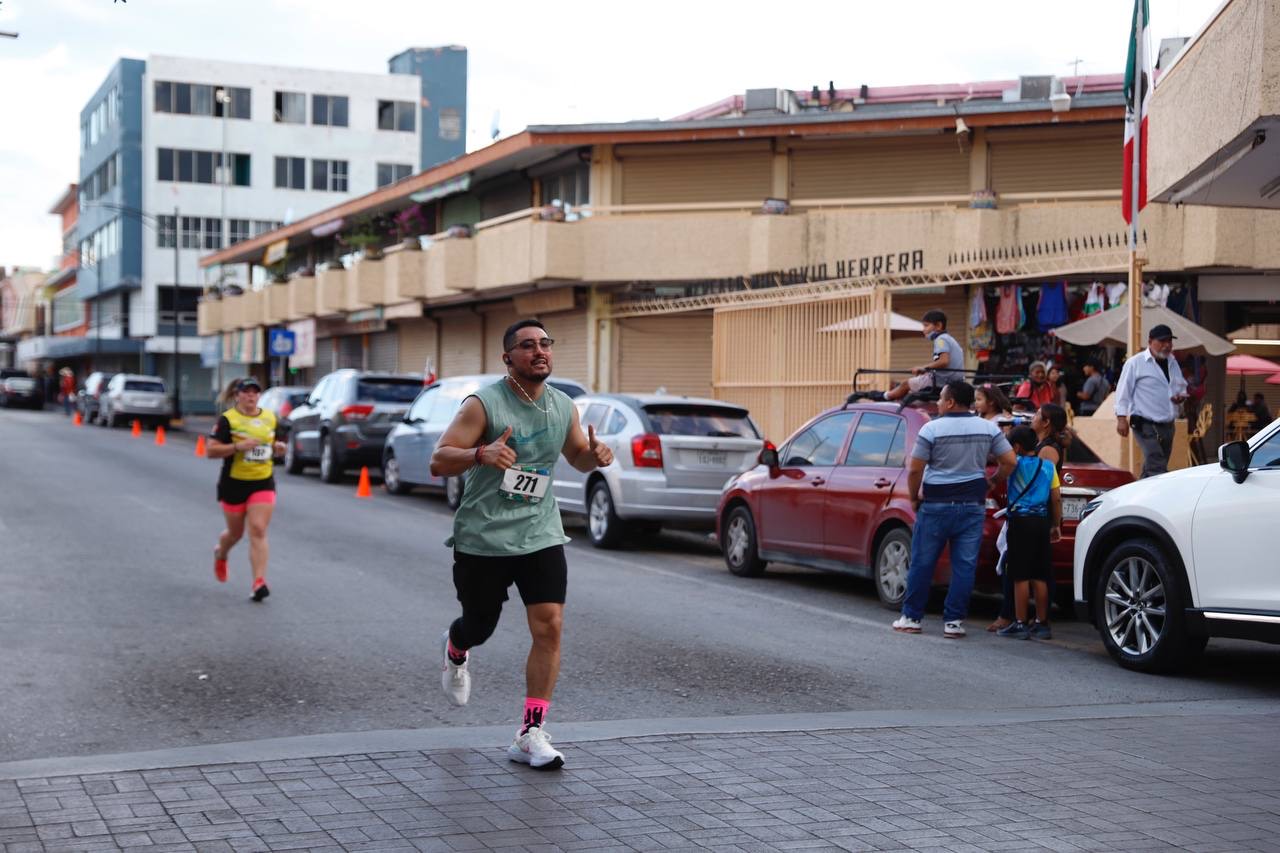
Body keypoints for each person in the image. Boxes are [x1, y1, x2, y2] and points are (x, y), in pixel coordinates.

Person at [429, 319, 613, 771]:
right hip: (484, 535)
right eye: (527, 345)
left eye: (545, 343)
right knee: (480, 624)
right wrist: (479, 454)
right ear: (507, 357)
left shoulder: (562, 406)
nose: (539, 351)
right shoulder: (482, 404)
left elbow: (576, 456)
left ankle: (530, 732)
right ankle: (457, 647)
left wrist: (595, 457)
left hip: (539, 531)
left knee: (549, 625)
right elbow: (438, 460)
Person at [893, 380, 1016, 638]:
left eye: (940, 398)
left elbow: (915, 468)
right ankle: (954, 622)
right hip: (972, 506)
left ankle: (912, 617)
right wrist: (991, 482)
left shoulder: (931, 429)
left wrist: (914, 497)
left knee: (923, 562)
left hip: (935, 505)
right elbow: (1009, 461)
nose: (938, 402)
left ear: (950, 402)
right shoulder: (987, 429)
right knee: (964, 565)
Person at [990, 403, 1070, 631]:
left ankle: (1019, 622)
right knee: (1041, 574)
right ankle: (1042, 622)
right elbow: (1055, 498)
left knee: (1019, 576)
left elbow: (1001, 465)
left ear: (1015, 447)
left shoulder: (1014, 464)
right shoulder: (1047, 467)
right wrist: (1055, 524)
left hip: (1020, 522)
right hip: (1042, 522)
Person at [206, 377, 286, 602]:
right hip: (234, 483)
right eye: (246, 392)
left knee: (258, 529)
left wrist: (279, 448)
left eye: (255, 392)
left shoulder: (270, 417)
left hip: (262, 481)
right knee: (235, 534)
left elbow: (276, 443)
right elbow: (210, 451)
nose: (251, 396)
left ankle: (259, 582)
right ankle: (221, 554)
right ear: (237, 395)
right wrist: (236, 447)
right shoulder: (228, 420)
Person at [1114, 324, 1188, 478]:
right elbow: (1123, 390)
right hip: (1144, 423)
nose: (1167, 345)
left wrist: (1180, 396)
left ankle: (1140, 494)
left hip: (1167, 423)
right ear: (1150, 341)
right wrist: (1121, 418)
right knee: (1156, 462)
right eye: (1162, 341)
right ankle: (1160, 496)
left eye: (1169, 341)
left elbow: (1180, 385)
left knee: (1154, 465)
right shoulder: (1136, 362)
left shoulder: (1173, 362)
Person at [884, 310, 965, 401]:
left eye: (926, 325)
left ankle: (885, 396)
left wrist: (923, 368)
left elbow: (944, 361)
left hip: (941, 381)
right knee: (913, 386)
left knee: (906, 384)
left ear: (938, 325)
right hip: (951, 380)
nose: (924, 329)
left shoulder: (940, 340)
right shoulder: (949, 339)